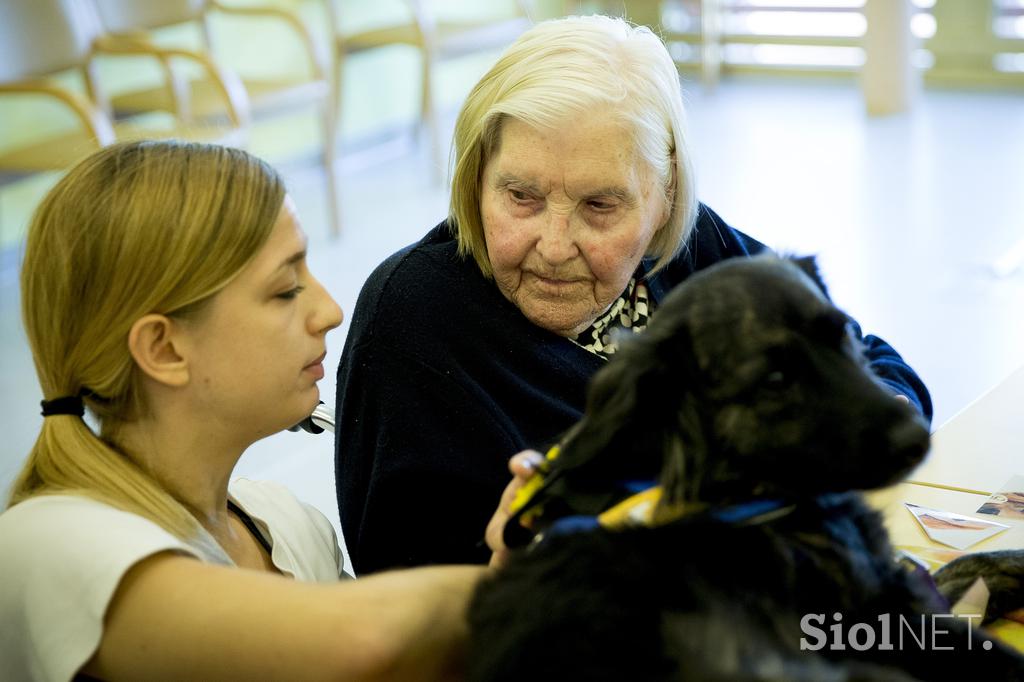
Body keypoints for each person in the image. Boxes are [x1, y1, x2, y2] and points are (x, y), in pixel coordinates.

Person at [334, 14, 933, 575]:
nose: (555, 244)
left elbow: (867, 363)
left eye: (600, 205)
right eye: (521, 196)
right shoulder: (415, 316)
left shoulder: (689, 249)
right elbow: (407, 598)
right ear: (475, 179)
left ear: (664, 194)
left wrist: (864, 429)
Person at [0, 140, 487, 681]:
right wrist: (539, 583)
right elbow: (363, 642)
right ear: (164, 349)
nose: (329, 310)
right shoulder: (46, 543)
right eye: (285, 290)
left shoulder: (288, 526)